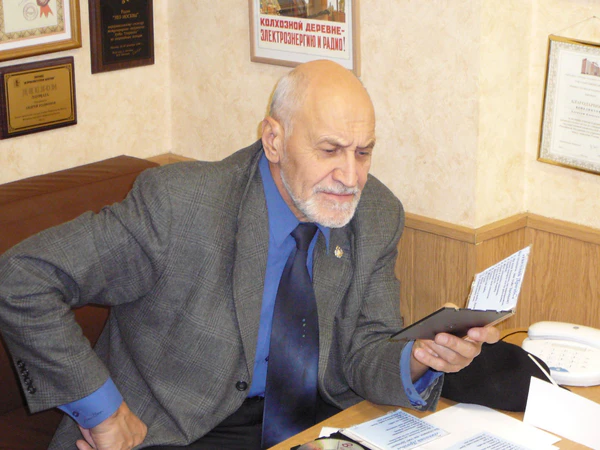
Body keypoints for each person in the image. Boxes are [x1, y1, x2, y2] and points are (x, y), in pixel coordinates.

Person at [0, 60, 499, 450]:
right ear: (274, 140)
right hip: (172, 432)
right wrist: (104, 412)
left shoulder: (376, 214)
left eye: (363, 151)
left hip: (312, 426)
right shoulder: (180, 206)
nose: (351, 177)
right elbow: (21, 278)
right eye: (330, 150)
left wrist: (418, 359)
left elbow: (364, 353)